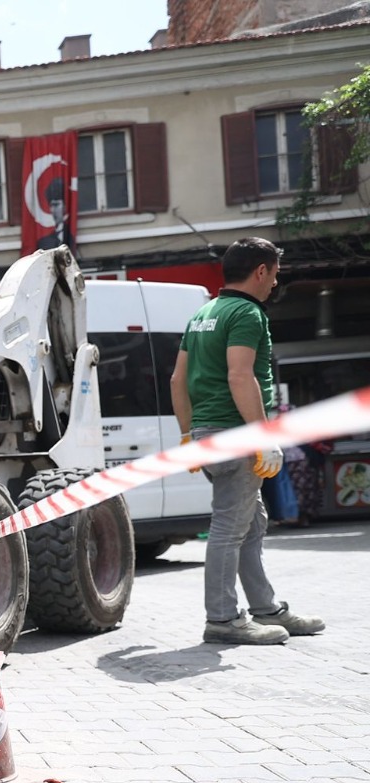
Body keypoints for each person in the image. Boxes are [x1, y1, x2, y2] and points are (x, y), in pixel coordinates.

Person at [169, 236, 324, 646]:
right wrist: (263, 437)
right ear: (260, 271)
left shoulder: (204, 313)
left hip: (207, 432)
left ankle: (266, 608)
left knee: (250, 523)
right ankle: (222, 619)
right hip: (236, 434)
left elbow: (177, 380)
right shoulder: (247, 314)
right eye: (274, 274)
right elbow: (241, 376)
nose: (275, 283)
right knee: (229, 527)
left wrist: (188, 435)